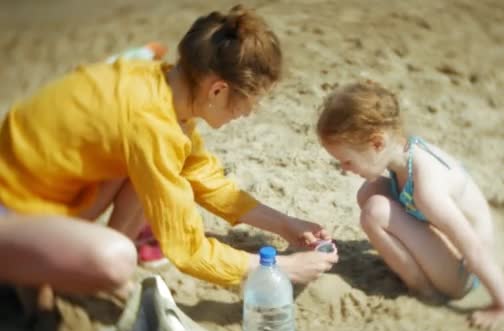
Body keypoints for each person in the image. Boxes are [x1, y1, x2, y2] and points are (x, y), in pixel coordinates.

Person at [0, 5, 338, 314]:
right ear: (217, 90)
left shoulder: (162, 85)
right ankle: (48, 275)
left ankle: (66, 276)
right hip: (9, 213)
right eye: (251, 100)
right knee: (115, 260)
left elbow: (204, 177)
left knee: (142, 175)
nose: (250, 113)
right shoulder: (152, 124)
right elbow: (187, 250)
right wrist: (281, 269)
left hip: (40, 195)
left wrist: (284, 224)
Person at [315, 81, 504, 329]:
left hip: (463, 273)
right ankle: (418, 270)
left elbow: (473, 248)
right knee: (370, 192)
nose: (343, 169)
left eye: (348, 161)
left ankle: (423, 289)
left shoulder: (427, 188)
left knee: (375, 212)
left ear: (377, 143)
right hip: (450, 249)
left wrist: (502, 305)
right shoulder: (406, 151)